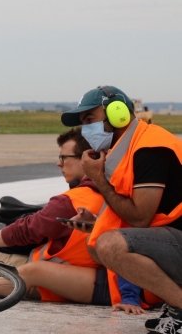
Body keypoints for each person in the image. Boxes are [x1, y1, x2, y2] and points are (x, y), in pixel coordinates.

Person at [0, 128, 143, 312]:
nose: (59, 164)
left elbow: (30, 229)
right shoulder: (118, 192)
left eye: (64, 157)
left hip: (64, 275)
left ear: (87, 158)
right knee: (28, 268)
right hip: (71, 269)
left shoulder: (74, 199)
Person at [60, 85, 182, 333]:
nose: (86, 129)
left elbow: (139, 218)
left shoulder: (149, 148)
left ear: (118, 114)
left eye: (89, 119)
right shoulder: (129, 148)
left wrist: (99, 179)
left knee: (110, 245)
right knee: (99, 242)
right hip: (174, 235)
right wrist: (96, 221)